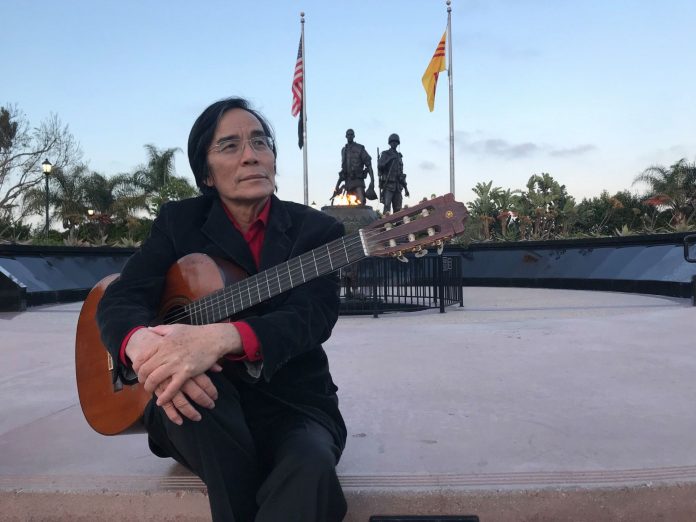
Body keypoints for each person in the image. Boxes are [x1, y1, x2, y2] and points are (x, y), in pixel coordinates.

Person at [96, 97, 348, 522]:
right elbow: (122, 297)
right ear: (206, 174)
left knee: (311, 468)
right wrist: (144, 348)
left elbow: (312, 315)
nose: (251, 155)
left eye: (260, 142)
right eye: (230, 146)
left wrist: (218, 339)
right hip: (198, 411)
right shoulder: (179, 222)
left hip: (293, 404)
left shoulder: (317, 231)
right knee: (193, 391)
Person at [333, 128, 375, 204]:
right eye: (348, 134)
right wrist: (337, 185)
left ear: (354, 136)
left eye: (351, 134)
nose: (350, 136)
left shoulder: (360, 148)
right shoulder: (344, 150)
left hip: (358, 181)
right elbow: (343, 170)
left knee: (361, 201)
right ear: (346, 136)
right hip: (348, 182)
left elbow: (369, 165)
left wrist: (372, 181)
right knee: (350, 206)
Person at [378, 133, 409, 213]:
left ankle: (398, 221)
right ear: (390, 143)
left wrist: (406, 188)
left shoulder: (399, 156)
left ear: (398, 143)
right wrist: (389, 159)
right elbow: (380, 165)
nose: (394, 143)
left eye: (396, 142)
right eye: (392, 142)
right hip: (388, 185)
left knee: (398, 208)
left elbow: (401, 173)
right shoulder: (385, 153)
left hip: (398, 186)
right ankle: (386, 221)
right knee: (387, 206)